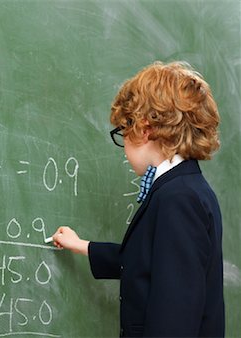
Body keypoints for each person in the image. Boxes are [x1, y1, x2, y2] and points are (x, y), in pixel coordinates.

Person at [52, 61, 224, 337]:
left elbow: (174, 317)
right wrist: (83, 246)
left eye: (123, 131)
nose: (123, 146)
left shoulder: (179, 199)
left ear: (144, 128)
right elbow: (146, 260)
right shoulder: (182, 188)